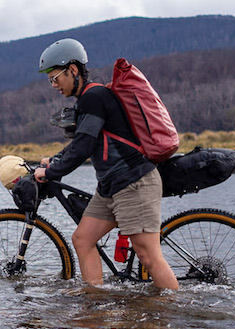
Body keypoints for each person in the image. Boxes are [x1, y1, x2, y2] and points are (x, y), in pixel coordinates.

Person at [31, 38, 179, 291]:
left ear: (73, 70)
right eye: (50, 80)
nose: (53, 84)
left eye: (55, 77)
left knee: (148, 256)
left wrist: (51, 171)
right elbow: (83, 141)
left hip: (134, 183)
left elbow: (83, 146)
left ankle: (174, 314)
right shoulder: (88, 99)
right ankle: (96, 306)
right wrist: (54, 161)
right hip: (111, 187)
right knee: (82, 240)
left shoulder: (94, 96)